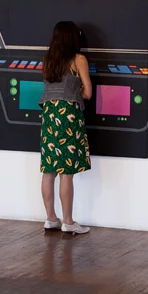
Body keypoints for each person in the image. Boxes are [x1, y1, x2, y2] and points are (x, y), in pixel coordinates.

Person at [38, 21, 92, 235]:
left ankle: (51, 218)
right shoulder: (79, 59)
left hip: (49, 114)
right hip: (68, 114)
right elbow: (87, 93)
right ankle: (68, 222)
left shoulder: (48, 60)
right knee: (66, 171)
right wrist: (77, 88)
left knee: (48, 169)